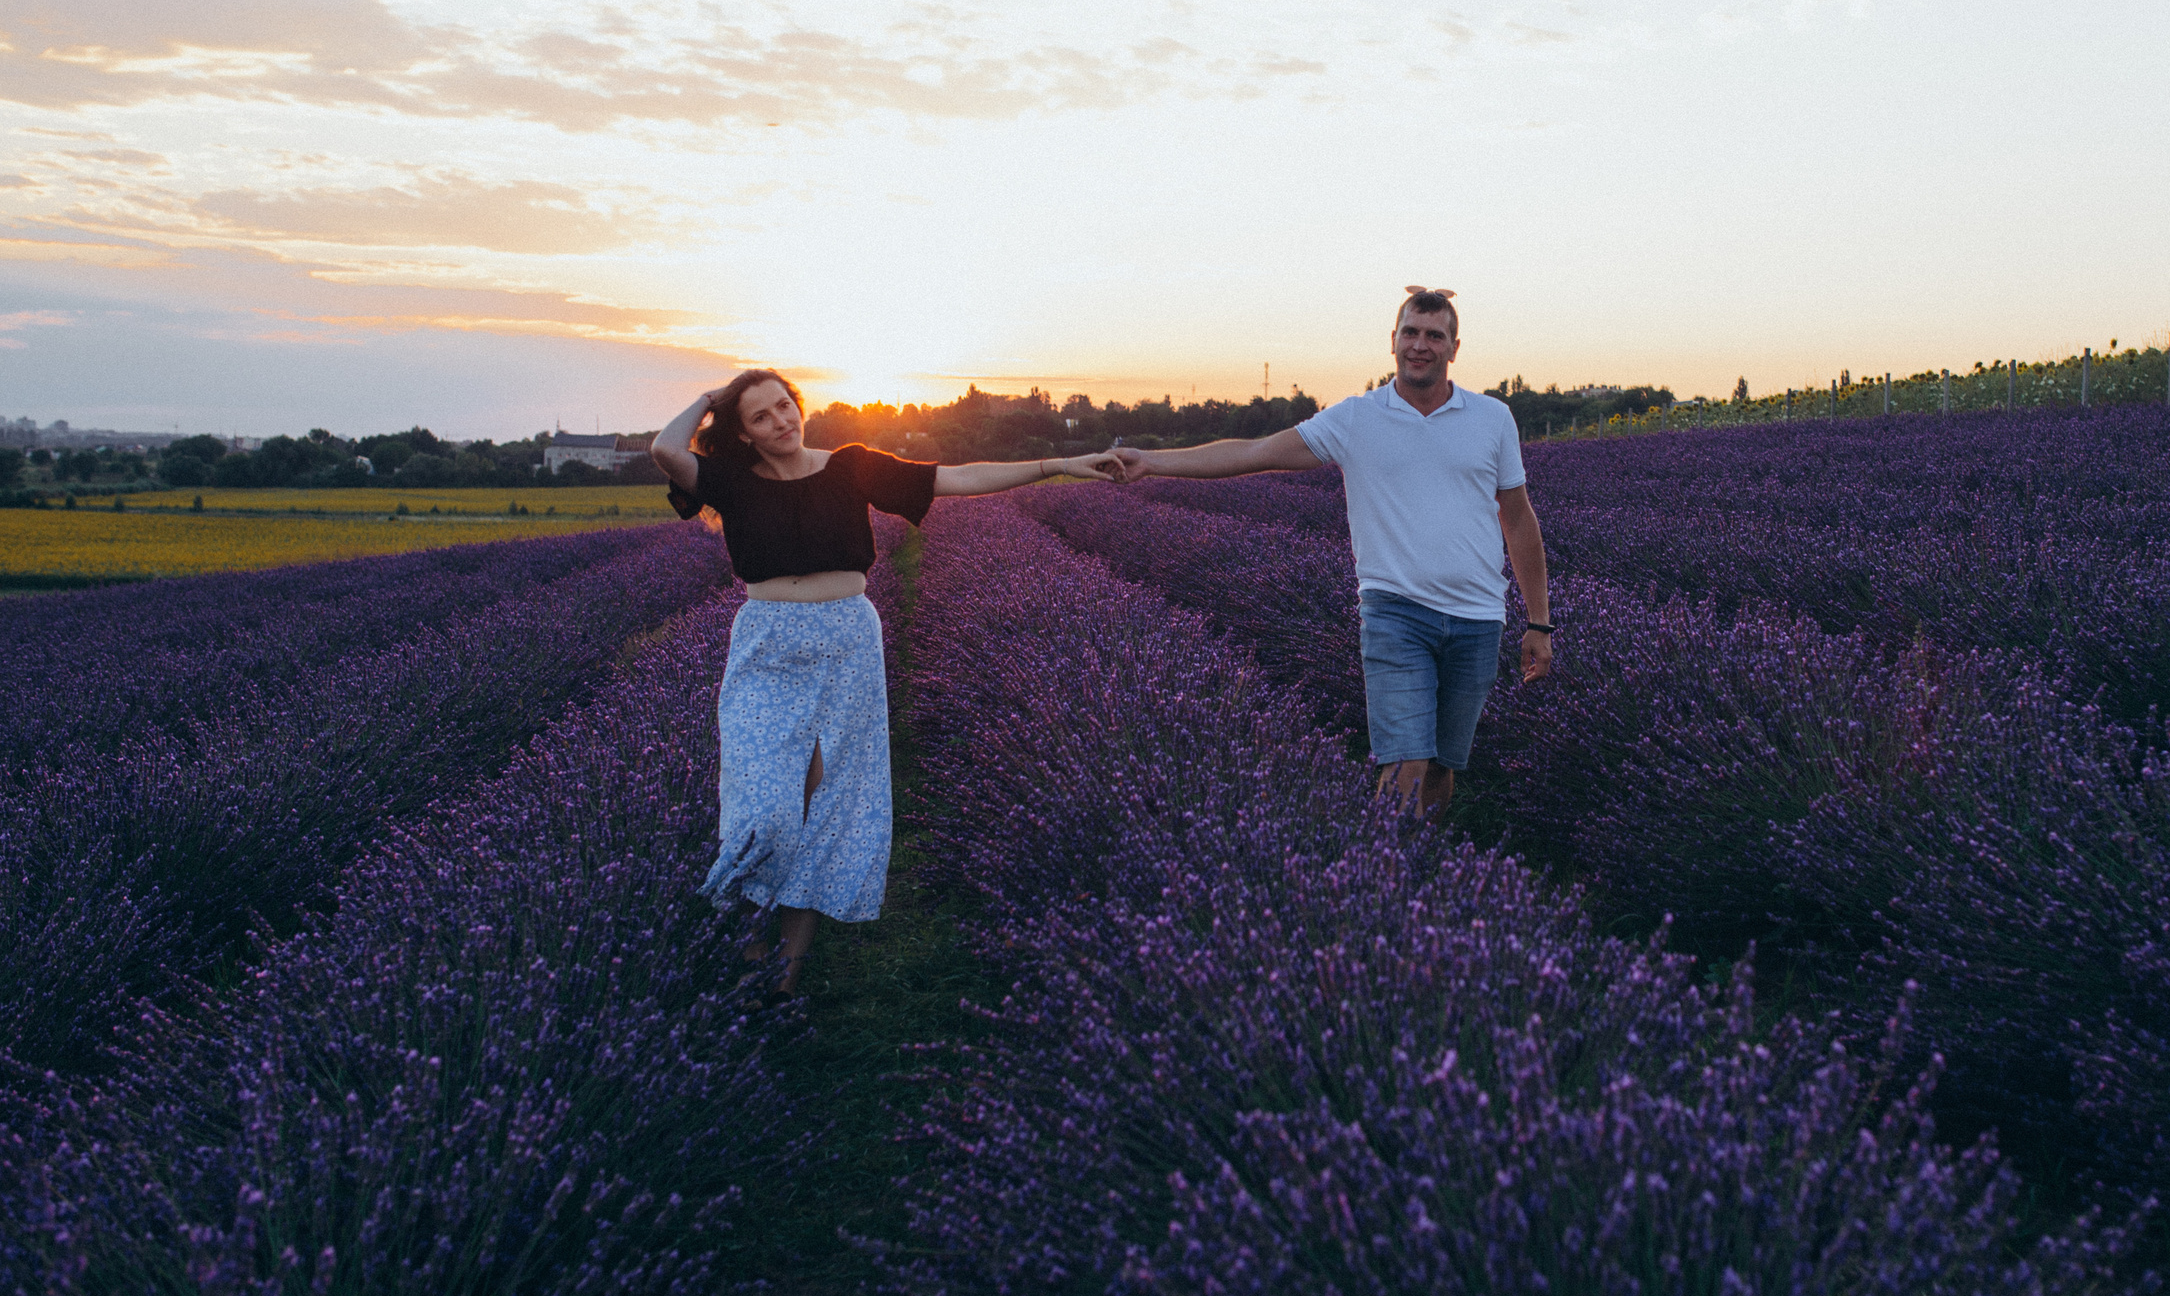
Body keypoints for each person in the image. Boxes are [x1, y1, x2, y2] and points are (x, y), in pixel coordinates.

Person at [652, 369, 1114, 999]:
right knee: (763, 807)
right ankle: (746, 951)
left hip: (847, 641)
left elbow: (955, 478)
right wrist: (710, 398)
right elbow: (665, 452)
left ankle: (783, 978)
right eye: (760, 417)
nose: (781, 421)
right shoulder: (731, 482)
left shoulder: (852, 465)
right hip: (767, 647)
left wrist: (1056, 464)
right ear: (743, 433)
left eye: (785, 406)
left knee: (827, 803)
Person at [1106, 287, 1551, 814]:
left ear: (1455, 348)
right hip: (1395, 613)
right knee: (1405, 764)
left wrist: (1539, 623)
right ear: (1392, 341)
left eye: (1435, 335)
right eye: (1411, 332)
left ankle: (1422, 880)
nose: (1420, 345)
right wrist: (1153, 462)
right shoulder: (1356, 419)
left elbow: (1518, 519)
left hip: (1477, 618)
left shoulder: (1493, 418)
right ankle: (1383, 886)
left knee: (1439, 770)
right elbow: (1255, 452)